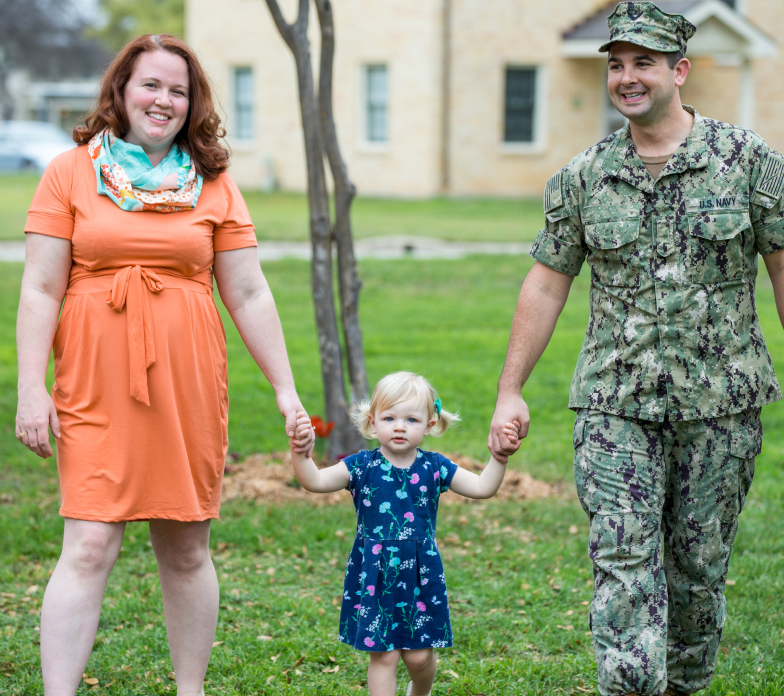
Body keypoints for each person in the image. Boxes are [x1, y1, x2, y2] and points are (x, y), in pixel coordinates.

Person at [488, 3, 784, 696]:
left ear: (679, 70)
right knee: (624, 563)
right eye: (617, 65)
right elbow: (546, 283)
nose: (627, 77)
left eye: (643, 63)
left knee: (697, 572)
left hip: (721, 407)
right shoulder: (583, 177)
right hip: (613, 405)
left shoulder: (750, 163)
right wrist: (510, 388)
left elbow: (780, 268)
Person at [15, 34, 313, 696]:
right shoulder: (70, 172)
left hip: (187, 382)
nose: (164, 100)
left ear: (193, 103)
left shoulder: (212, 183)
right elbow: (40, 288)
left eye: (178, 90)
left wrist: (286, 391)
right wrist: (31, 390)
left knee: (185, 547)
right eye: (151, 85)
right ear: (120, 92)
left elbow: (248, 291)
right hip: (94, 380)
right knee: (89, 545)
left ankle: (191, 690)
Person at [288, 371, 519, 696]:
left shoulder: (435, 467)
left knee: (421, 658)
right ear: (372, 422)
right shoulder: (360, 467)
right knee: (383, 657)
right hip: (376, 575)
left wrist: (499, 458)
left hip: (420, 576)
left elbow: (483, 487)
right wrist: (301, 453)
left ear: (429, 424)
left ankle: (419, 692)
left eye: (411, 419)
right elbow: (314, 481)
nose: (399, 426)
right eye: (389, 417)